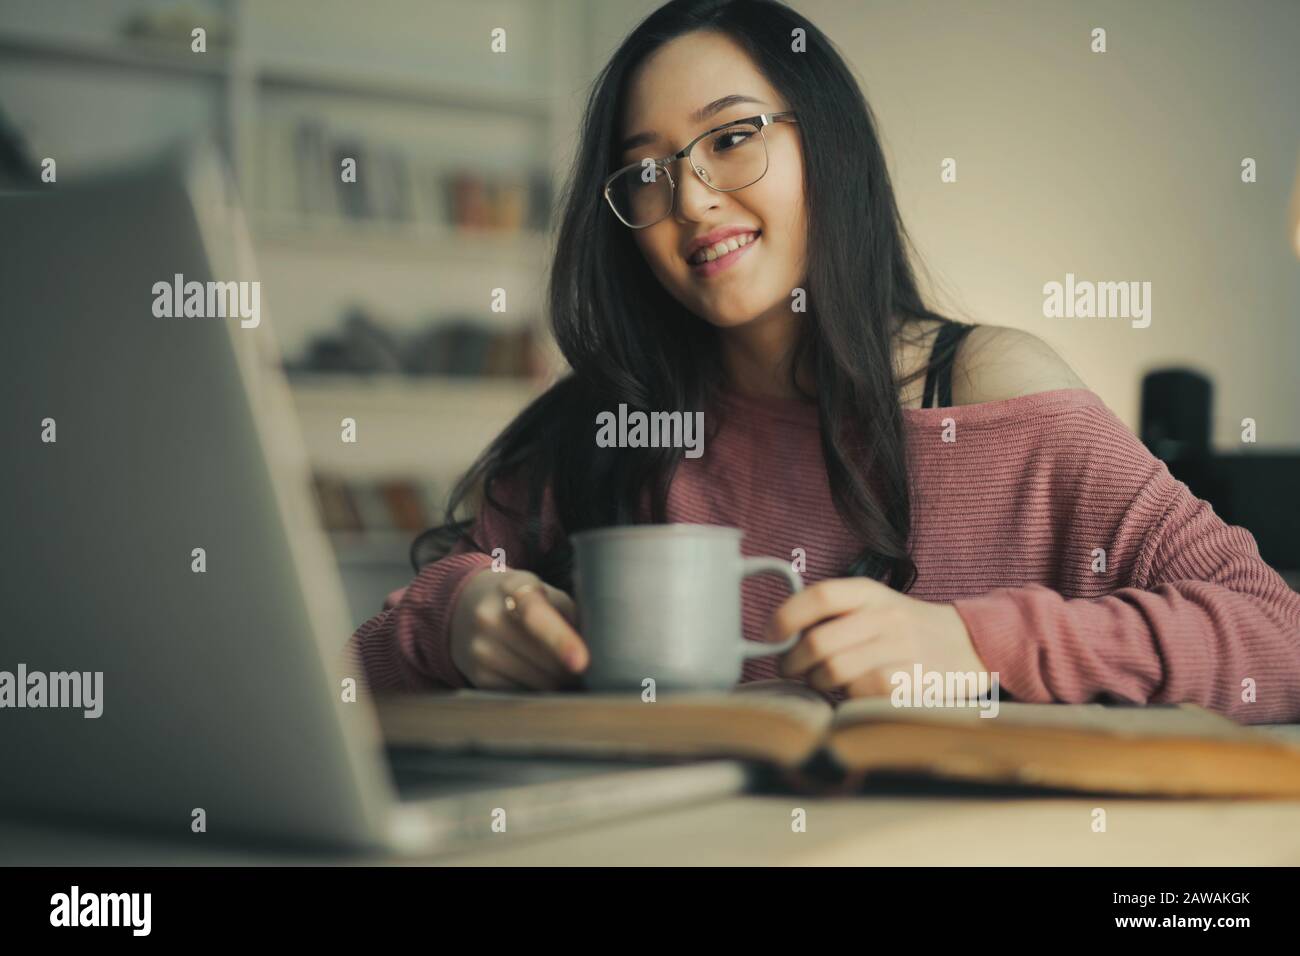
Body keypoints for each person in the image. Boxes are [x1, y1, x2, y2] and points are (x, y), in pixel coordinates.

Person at [347, 0, 1300, 723]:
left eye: (729, 140)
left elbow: (1277, 637)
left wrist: (974, 645)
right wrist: (456, 613)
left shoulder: (984, 393)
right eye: (647, 171)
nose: (691, 197)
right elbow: (353, 683)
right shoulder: (604, 426)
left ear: (826, 148)